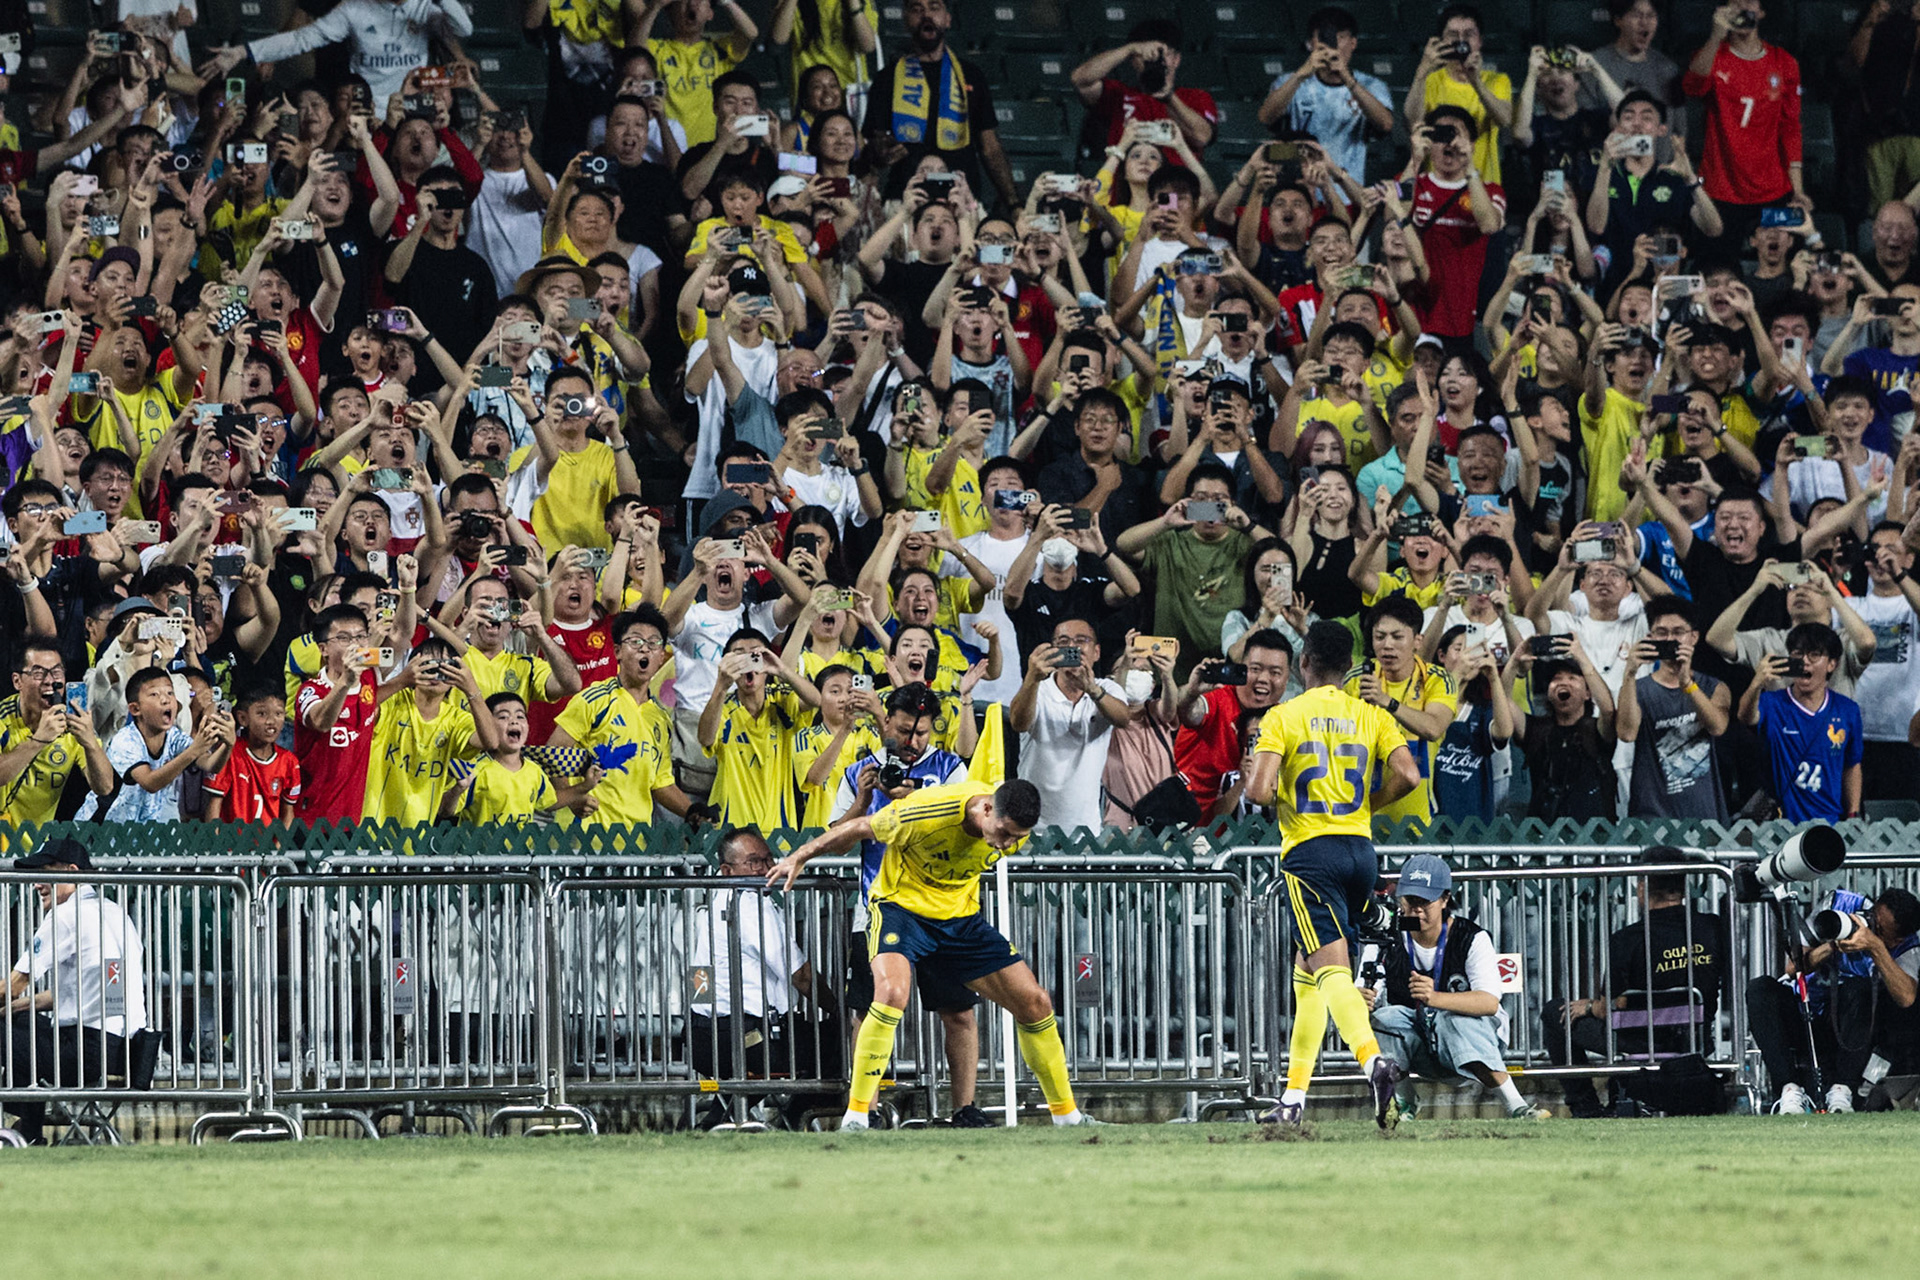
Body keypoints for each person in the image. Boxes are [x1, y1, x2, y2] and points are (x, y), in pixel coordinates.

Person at [767, 778, 1098, 1130]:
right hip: (901, 911)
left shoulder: (1012, 828)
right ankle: (858, 1117)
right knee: (891, 993)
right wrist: (799, 856)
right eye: (1004, 833)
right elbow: (861, 826)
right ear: (986, 808)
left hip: (959, 920)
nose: (1007, 844)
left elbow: (1005, 838)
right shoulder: (927, 812)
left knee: (1036, 1002)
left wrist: (1009, 837)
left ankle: (1068, 1118)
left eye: (1016, 838)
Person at [1245, 620, 1422, 1127]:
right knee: (1308, 977)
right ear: (1349, 669)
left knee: (1331, 973)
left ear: (1303, 662)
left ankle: (1373, 1063)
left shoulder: (1284, 715)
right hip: (1360, 851)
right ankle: (1293, 1100)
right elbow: (1408, 775)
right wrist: (1367, 802)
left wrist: (1276, 788)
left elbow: (1257, 793)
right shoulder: (1369, 715)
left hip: (1310, 853)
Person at [1540, 851, 1730, 1117]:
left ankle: (1586, 1108)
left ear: (1642, 887)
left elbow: (1610, 1009)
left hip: (1640, 1043)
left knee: (1554, 1011)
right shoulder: (1713, 928)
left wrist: (1588, 1007)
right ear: (1685, 887)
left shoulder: (1627, 939)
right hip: (1696, 1038)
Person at [1365, 854, 1551, 1123]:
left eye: (1425, 902)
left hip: (1473, 1041)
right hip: (1419, 1040)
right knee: (1382, 1019)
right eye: (1410, 901)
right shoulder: (1387, 933)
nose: (1416, 911)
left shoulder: (1471, 937)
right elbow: (1362, 989)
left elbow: (1489, 1002)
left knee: (1453, 1018)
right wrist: (1360, 999)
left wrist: (1436, 998)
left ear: (1444, 899)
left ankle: (1517, 1106)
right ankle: (1404, 1102)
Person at [688, 828, 842, 1127]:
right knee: (840, 1045)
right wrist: (839, 1010)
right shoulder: (750, 904)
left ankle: (716, 1124)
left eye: (768, 859)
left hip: (704, 1037)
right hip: (750, 1038)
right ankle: (796, 1122)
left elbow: (699, 978)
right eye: (753, 861)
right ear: (726, 870)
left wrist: (704, 1020)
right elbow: (801, 977)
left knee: (782, 1060)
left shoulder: (711, 904)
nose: (764, 867)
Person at [4, 839, 148, 1146]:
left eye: (44, 873)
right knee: (17, 1021)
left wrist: (9, 1004)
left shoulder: (65, 916)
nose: (36, 884)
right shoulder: (114, 912)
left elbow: (13, 986)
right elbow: (81, 992)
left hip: (84, 1053)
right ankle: (26, 1130)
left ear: (72, 871)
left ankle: (22, 1126)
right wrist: (14, 1008)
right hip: (125, 1053)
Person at [1748, 885, 1920, 1113]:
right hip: (1806, 1013)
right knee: (1760, 989)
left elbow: (1907, 997)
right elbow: (1792, 968)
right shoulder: (1841, 905)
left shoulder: (1908, 945)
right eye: (1872, 917)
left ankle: (1842, 1091)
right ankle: (1789, 1090)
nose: (1868, 924)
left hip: (1851, 1031)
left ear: (1896, 939)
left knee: (1859, 987)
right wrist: (1832, 945)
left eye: (1879, 929)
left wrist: (1875, 946)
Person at [1682, 0, 1808, 248]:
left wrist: (1798, 189)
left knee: (1777, 259)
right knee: (1718, 264)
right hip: (1721, 188)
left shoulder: (1784, 62)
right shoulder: (1710, 55)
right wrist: (1716, 35)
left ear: (1761, 11)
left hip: (1772, 190)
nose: (1741, 7)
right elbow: (1692, 87)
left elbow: (1790, 127)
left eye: (1748, 1)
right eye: (1734, 3)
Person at [1010, 616, 1134, 831]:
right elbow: (1018, 723)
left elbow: (1123, 719)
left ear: (1096, 652)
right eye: (1063, 642)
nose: (1072, 647)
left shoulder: (1107, 689)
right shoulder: (1038, 688)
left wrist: (1092, 689)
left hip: (1085, 830)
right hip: (1031, 828)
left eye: (1081, 640)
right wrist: (1031, 677)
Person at [1616, 597, 1731, 820]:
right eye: (1661, 632)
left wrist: (1687, 682)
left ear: (1693, 637)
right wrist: (1629, 672)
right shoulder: (1636, 689)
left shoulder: (1714, 687)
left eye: (1678, 632)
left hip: (1705, 814)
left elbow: (1717, 727)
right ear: (1650, 638)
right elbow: (1626, 733)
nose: (1670, 639)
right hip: (1652, 815)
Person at [1740, 621, 1863, 821]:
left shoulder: (1848, 710)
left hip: (1828, 820)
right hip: (1779, 823)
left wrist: (1853, 813)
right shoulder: (1772, 702)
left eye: (1814, 655)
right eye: (1797, 654)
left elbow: (1852, 765)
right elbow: (1745, 717)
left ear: (1832, 663)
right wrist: (1756, 683)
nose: (1805, 661)